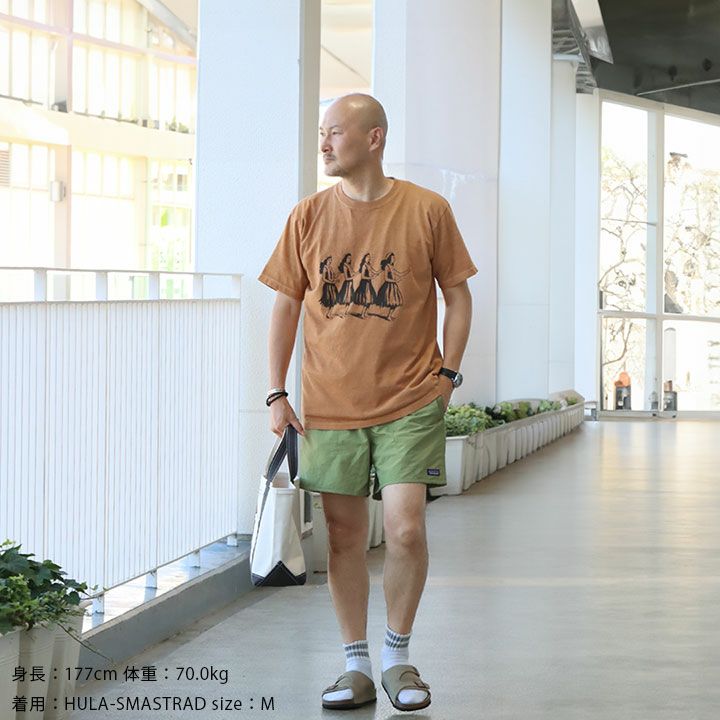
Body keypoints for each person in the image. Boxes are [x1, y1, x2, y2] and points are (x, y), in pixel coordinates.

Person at [257, 93, 476, 712]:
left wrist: (447, 376)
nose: (324, 144)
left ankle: (398, 658)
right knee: (344, 536)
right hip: (329, 405)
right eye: (322, 133)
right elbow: (286, 305)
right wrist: (276, 392)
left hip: (411, 398)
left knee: (406, 527)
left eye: (334, 132)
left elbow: (458, 295)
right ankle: (355, 666)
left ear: (373, 138)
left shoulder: (427, 210)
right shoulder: (307, 216)